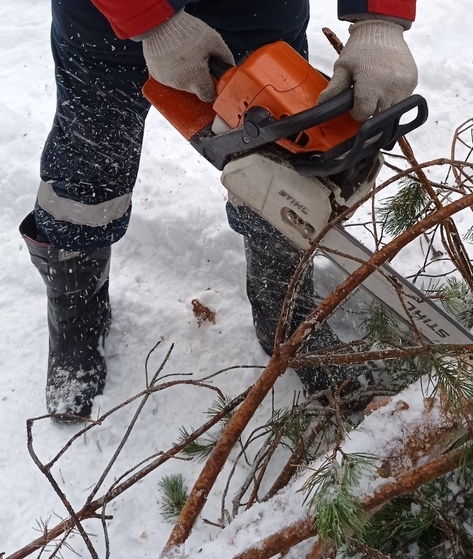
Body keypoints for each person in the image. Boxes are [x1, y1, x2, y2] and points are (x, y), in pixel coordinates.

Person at [19, 0, 418, 420]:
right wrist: (152, 20)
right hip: (104, 17)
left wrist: (379, 21)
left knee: (287, 167)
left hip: (256, 12)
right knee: (88, 172)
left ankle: (284, 309)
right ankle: (75, 314)